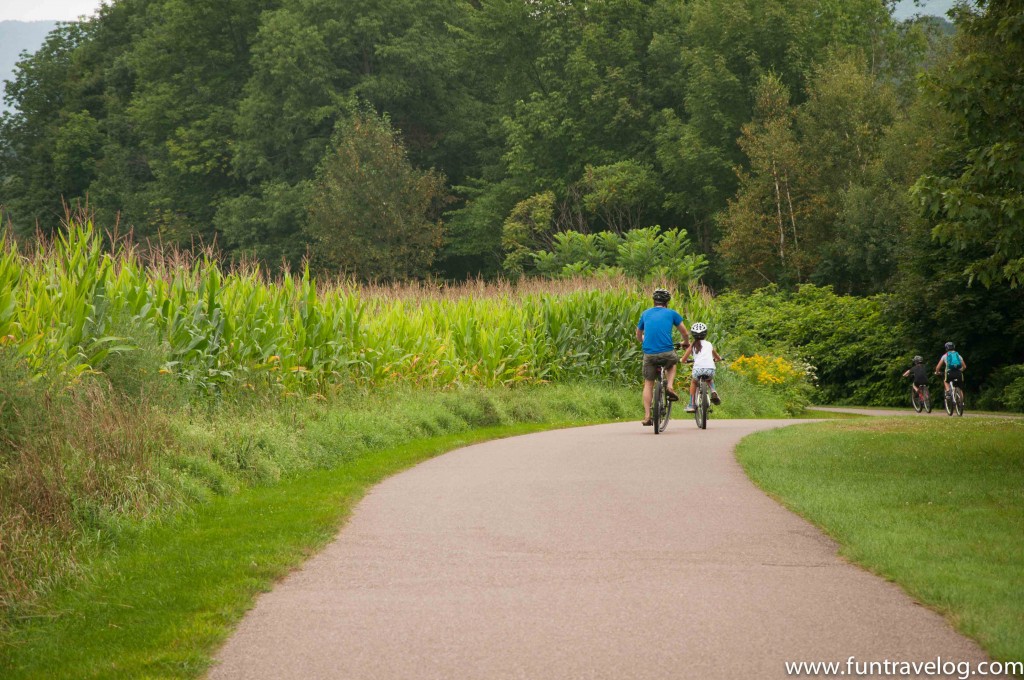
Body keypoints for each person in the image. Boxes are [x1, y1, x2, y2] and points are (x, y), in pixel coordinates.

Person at [636, 288, 690, 426]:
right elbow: (685, 332)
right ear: (667, 302)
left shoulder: (645, 313)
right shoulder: (672, 314)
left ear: (654, 301)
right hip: (667, 352)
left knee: (648, 383)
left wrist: (644, 340)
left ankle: (647, 416)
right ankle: (670, 386)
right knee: (672, 363)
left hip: (649, 354)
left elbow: (638, 335)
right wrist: (686, 342)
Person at [679, 322, 722, 412]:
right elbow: (717, 357)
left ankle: (691, 404)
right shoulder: (709, 344)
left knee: (694, 382)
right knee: (709, 379)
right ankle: (713, 391)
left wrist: (682, 361)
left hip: (698, 370)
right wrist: (718, 359)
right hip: (710, 369)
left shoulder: (693, 345)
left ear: (693, 334)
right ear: (705, 334)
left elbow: (684, 358)